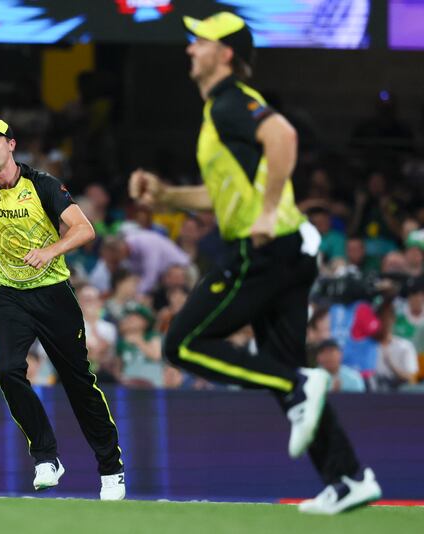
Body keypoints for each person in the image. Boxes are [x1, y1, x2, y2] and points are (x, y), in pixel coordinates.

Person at [129, 12, 380, 514]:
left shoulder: (229, 103)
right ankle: (348, 478)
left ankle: (298, 387)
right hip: (285, 254)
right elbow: (220, 197)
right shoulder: (219, 112)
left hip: (263, 252)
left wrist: (266, 211)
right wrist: (169, 196)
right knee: (284, 369)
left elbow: (283, 136)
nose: (189, 49)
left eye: (199, 42)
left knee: (184, 344)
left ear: (225, 54)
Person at [0, 118, 125, 500]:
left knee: (79, 383)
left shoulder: (42, 185)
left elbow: (84, 229)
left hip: (53, 295)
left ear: (12, 145)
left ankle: (111, 469)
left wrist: (49, 251)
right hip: (11, 296)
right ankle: (46, 457)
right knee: (8, 372)